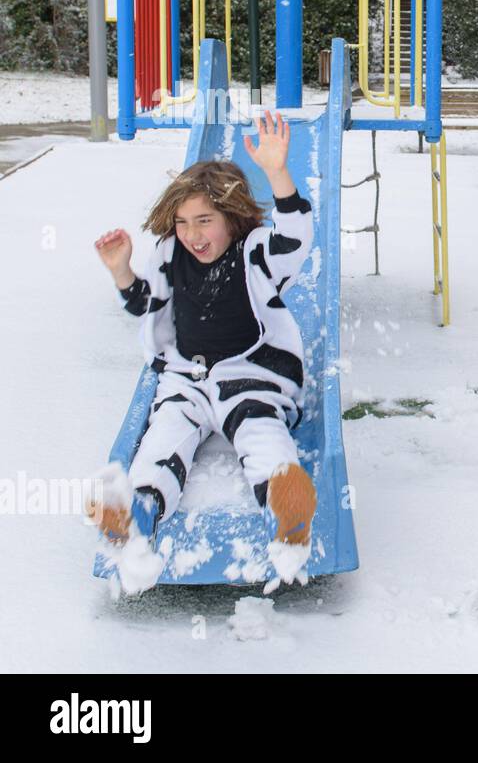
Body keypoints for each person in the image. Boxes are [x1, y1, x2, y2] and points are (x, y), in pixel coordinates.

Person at [86, 111, 317, 581]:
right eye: (184, 222)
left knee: (259, 431)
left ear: (230, 219)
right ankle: (138, 511)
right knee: (165, 435)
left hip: (251, 374)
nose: (193, 234)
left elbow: (296, 239)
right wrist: (122, 272)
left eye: (204, 221)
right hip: (187, 379)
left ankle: (285, 507)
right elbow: (145, 303)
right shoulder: (172, 253)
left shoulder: (256, 251)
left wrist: (277, 172)